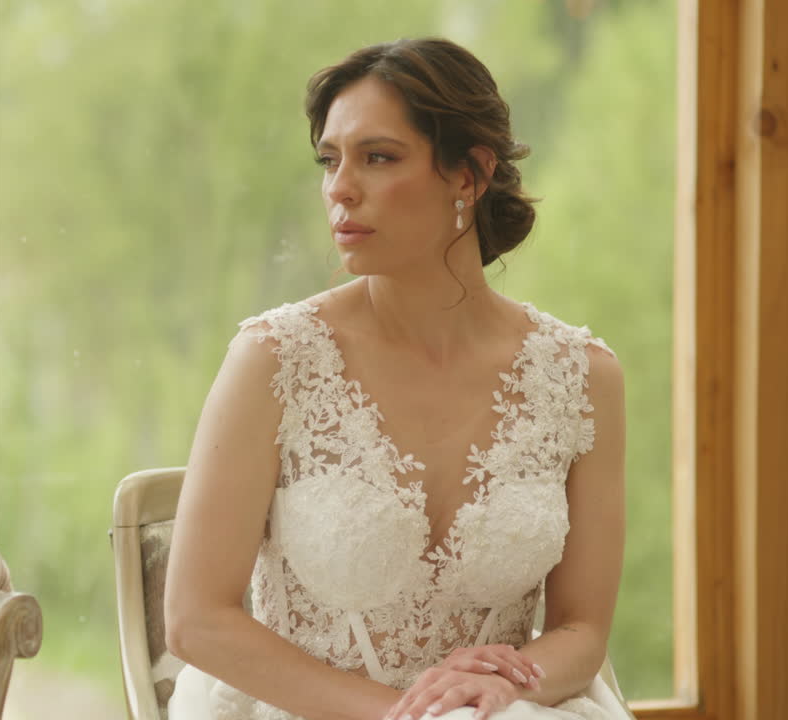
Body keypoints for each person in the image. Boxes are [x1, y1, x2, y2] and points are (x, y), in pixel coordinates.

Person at [162, 37, 629, 720]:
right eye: (329, 160)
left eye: (377, 158)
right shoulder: (275, 359)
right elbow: (196, 620)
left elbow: (583, 632)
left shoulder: (581, 378)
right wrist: (399, 715)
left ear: (468, 174)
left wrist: (504, 686)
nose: (339, 188)